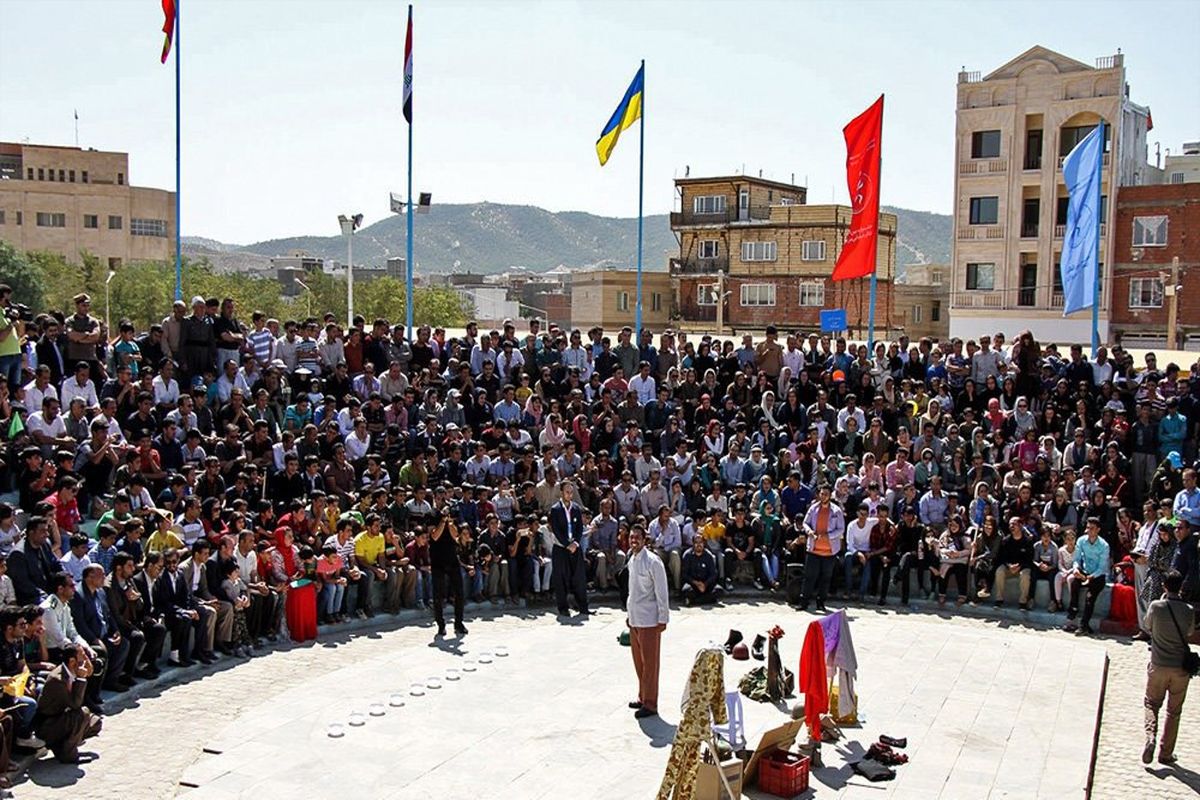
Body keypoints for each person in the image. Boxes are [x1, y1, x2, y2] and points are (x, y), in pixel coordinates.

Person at [1142, 570, 1194, 765]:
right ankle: (1165, 753)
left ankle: (1150, 737)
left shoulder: (1156, 606)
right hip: (1180, 668)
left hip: (1158, 664)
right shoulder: (1188, 609)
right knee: (1174, 711)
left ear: (1164, 586)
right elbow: (1188, 632)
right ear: (1181, 587)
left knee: (1151, 704)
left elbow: (1148, 626)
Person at [625, 524, 669, 719]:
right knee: (639, 663)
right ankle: (643, 697)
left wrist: (663, 618)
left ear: (644, 540)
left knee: (650, 664)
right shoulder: (632, 560)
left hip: (650, 619)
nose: (634, 540)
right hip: (635, 618)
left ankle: (651, 704)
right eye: (631, 537)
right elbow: (632, 590)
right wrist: (629, 614)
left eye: (637, 537)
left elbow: (662, 592)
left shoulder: (653, 562)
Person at [35, 645, 102, 764]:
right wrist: (81, 679)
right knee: (82, 713)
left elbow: (90, 672)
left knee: (95, 722)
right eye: (82, 658)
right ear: (72, 661)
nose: (85, 660)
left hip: (62, 718)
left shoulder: (71, 670)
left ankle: (62, 745)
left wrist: (87, 667)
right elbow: (75, 704)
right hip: (49, 725)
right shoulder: (58, 679)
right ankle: (68, 754)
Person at [798, 485, 845, 611]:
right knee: (809, 577)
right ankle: (804, 602)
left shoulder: (836, 511)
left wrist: (828, 536)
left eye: (826, 494)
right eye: (821, 493)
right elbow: (805, 523)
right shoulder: (813, 508)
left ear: (830, 495)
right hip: (813, 549)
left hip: (829, 551)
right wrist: (809, 532)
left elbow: (841, 529)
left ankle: (821, 602)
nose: (823, 496)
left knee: (825, 578)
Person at [1065, 517, 1111, 635]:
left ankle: (1084, 625)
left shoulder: (1104, 545)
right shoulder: (1081, 541)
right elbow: (1077, 559)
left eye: (1092, 528)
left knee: (1090, 597)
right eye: (1087, 527)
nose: (1088, 530)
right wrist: (1076, 569)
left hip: (1097, 575)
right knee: (1074, 582)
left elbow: (1102, 567)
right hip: (1084, 571)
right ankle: (1073, 610)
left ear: (1098, 530)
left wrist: (1091, 577)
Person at [549, 483, 588, 618]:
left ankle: (583, 606)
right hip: (561, 547)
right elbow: (556, 529)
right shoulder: (555, 509)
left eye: (571, 492)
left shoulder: (576, 508)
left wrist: (576, 543)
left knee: (579, 577)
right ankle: (563, 608)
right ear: (561, 492)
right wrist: (567, 544)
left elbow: (579, 528)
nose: (569, 495)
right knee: (561, 578)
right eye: (567, 492)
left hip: (575, 546)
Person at [429, 513, 467, 637]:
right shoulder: (432, 515)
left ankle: (459, 623)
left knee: (459, 593)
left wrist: (449, 522)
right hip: (437, 560)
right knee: (438, 595)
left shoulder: (452, 517)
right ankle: (440, 625)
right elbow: (434, 536)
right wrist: (442, 521)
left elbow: (455, 535)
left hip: (452, 559)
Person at [680, 535, 722, 607]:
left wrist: (705, 584)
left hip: (706, 584)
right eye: (696, 542)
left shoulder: (709, 555)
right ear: (693, 544)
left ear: (704, 543)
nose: (699, 545)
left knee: (719, 591)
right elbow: (684, 574)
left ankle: (695, 601)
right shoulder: (687, 555)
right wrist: (696, 583)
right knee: (686, 591)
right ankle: (708, 600)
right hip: (693, 584)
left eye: (701, 542)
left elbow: (713, 574)